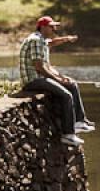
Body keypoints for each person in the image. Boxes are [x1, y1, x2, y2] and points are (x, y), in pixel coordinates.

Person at [19, 16, 95, 147]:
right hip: (33, 81)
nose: (54, 28)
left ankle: (79, 122)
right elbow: (39, 67)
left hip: (40, 78)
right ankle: (68, 135)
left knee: (72, 84)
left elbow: (51, 43)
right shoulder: (36, 40)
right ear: (43, 27)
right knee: (67, 96)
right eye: (51, 26)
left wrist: (66, 39)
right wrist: (57, 79)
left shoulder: (41, 40)